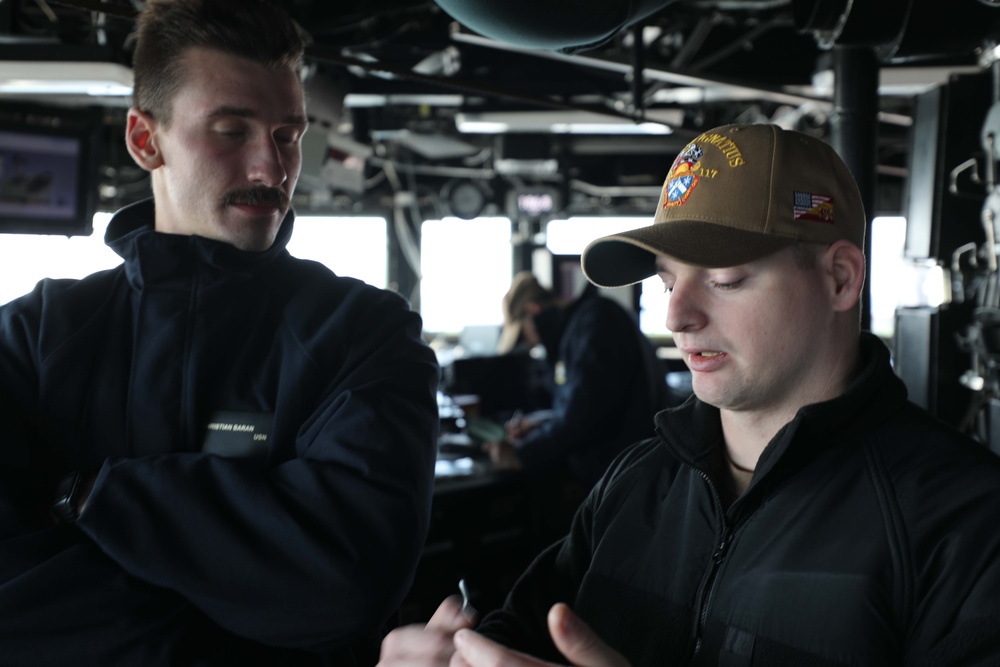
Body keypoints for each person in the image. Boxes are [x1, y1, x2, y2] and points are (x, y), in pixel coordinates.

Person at [377, 123, 1000, 666]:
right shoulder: (637, 482)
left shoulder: (966, 524)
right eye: (668, 280)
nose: (677, 317)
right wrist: (455, 655)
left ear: (841, 278)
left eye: (725, 280)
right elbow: (518, 636)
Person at [0, 1, 439, 665]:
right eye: (232, 132)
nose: (272, 170)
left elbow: (343, 584)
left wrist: (90, 496)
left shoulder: (365, 335)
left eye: (288, 135)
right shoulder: (34, 337)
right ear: (147, 140)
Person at [485, 272, 671, 490]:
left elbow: (583, 418)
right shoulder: (578, 328)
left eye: (524, 335)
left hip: (628, 481)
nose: (530, 343)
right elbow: (591, 403)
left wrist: (522, 453)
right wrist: (543, 423)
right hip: (616, 475)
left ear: (532, 309)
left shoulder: (595, 322)